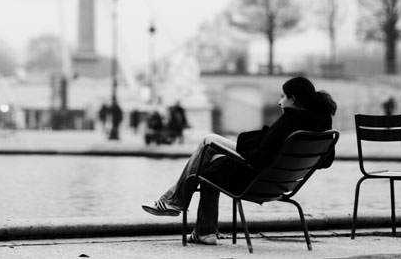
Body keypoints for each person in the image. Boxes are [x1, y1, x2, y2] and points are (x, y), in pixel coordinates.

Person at [142, 76, 337, 246]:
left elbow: (259, 159)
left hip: (253, 180)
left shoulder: (290, 120)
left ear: (293, 99)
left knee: (208, 143)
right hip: (280, 183)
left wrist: (247, 147)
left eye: (282, 96)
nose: (279, 102)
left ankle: (174, 202)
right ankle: (203, 231)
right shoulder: (321, 125)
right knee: (211, 162)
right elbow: (325, 162)